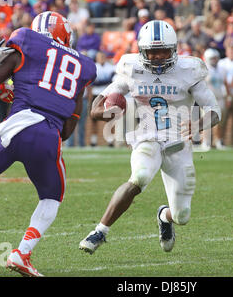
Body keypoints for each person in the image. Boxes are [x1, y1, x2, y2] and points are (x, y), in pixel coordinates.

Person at [0, 11, 97, 277]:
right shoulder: (83, 66)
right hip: (48, 135)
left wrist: (3, 79)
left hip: (13, 130)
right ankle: (22, 253)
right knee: (52, 197)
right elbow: (69, 130)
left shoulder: (25, 42)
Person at [79, 20, 221, 254]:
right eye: (152, 52)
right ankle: (100, 231)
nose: (156, 57)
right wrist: (106, 112)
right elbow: (96, 107)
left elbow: (215, 111)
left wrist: (198, 123)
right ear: (142, 51)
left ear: (174, 50)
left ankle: (164, 216)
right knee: (140, 177)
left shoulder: (188, 70)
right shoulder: (132, 68)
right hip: (146, 137)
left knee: (181, 216)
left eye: (162, 51)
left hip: (178, 143)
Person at [217, 44, 233, 148]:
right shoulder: (221, 63)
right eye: (230, 51)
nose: (232, 53)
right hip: (224, 95)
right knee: (223, 120)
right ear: (227, 52)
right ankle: (220, 141)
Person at [89, 51, 116, 147]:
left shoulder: (111, 67)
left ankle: (110, 141)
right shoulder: (94, 67)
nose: (101, 58)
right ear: (96, 58)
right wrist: (106, 81)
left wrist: (100, 81)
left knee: (110, 118)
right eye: (99, 57)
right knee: (94, 119)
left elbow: (113, 82)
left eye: (103, 56)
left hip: (107, 96)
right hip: (96, 95)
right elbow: (92, 82)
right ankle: (93, 141)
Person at [203, 48, 227, 150]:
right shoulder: (203, 69)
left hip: (220, 97)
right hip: (207, 99)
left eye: (216, 58)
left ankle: (218, 141)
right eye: (212, 58)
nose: (214, 60)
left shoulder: (221, 69)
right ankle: (206, 142)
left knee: (220, 122)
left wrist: (227, 96)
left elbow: (224, 83)